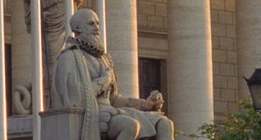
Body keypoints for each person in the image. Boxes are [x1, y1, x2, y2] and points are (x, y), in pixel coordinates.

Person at [52, 8, 173, 140]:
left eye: (98, 23)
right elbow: (75, 99)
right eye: (91, 24)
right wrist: (104, 80)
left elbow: (114, 99)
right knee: (130, 126)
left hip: (112, 112)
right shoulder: (69, 57)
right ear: (77, 28)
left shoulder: (104, 59)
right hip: (91, 115)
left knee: (165, 124)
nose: (97, 28)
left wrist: (145, 104)